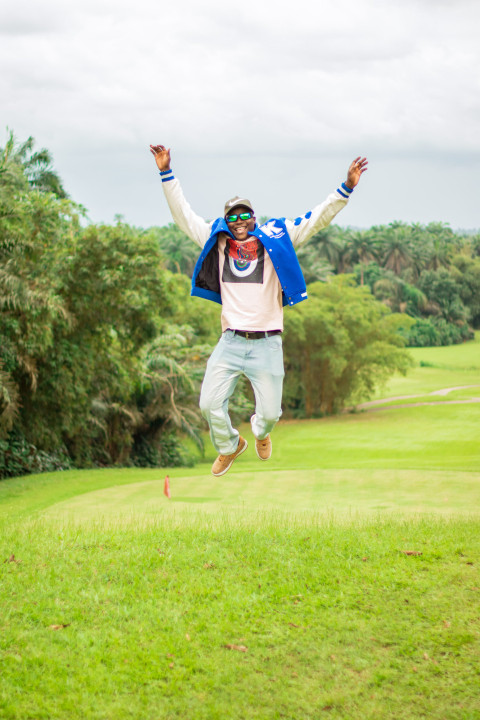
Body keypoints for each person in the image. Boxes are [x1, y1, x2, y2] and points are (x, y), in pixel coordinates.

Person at [150, 144, 367, 476]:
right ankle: (230, 445)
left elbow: (316, 220)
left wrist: (346, 188)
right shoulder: (216, 240)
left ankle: (261, 432)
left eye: (244, 215)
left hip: (267, 343)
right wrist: (166, 172)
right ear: (226, 221)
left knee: (269, 414)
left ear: (253, 217)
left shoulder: (277, 236)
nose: (239, 222)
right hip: (231, 341)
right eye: (232, 217)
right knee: (209, 404)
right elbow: (183, 215)